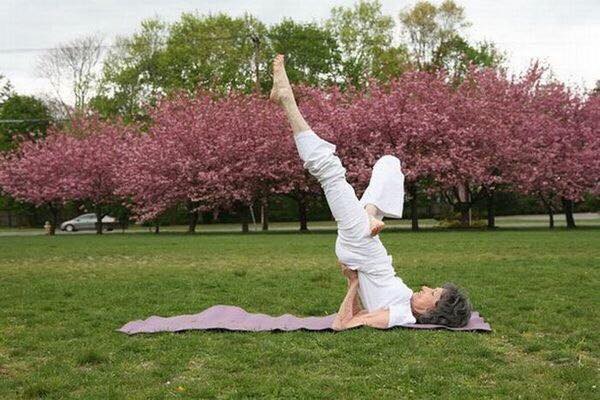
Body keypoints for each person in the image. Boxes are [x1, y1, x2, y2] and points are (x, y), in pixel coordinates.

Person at [269, 54, 472, 331]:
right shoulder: (404, 302)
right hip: (366, 244)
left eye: (432, 293)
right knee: (390, 163)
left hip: (361, 246)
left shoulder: (401, 315)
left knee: (329, 169)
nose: (426, 287)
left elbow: (344, 324)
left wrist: (353, 283)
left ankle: (286, 98)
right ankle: (370, 213)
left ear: (432, 310)